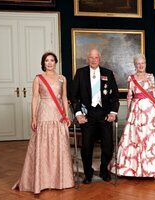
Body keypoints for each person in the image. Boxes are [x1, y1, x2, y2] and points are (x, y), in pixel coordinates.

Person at [12, 52, 74, 194]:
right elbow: (35, 98)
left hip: (58, 114)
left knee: (59, 145)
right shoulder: (38, 79)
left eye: (52, 60)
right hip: (44, 112)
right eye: (47, 61)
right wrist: (33, 117)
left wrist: (66, 115)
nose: (50, 63)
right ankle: (42, 180)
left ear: (55, 62)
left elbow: (64, 98)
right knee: (43, 145)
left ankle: (60, 180)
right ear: (43, 63)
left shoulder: (62, 78)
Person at [110, 54, 155, 178]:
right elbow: (129, 96)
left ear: (145, 64)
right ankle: (130, 169)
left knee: (152, 138)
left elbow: (154, 93)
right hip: (136, 109)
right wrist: (129, 113)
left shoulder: (151, 76)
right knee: (134, 138)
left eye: (142, 63)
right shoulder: (131, 78)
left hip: (150, 110)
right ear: (135, 65)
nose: (140, 65)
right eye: (138, 63)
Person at [71, 48, 119, 184]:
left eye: (96, 57)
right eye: (91, 57)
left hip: (104, 115)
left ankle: (104, 170)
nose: (93, 60)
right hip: (87, 116)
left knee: (108, 146)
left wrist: (113, 112)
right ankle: (88, 173)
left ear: (100, 58)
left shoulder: (108, 73)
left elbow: (115, 96)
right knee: (86, 147)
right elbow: (74, 96)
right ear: (88, 58)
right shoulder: (81, 73)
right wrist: (79, 114)